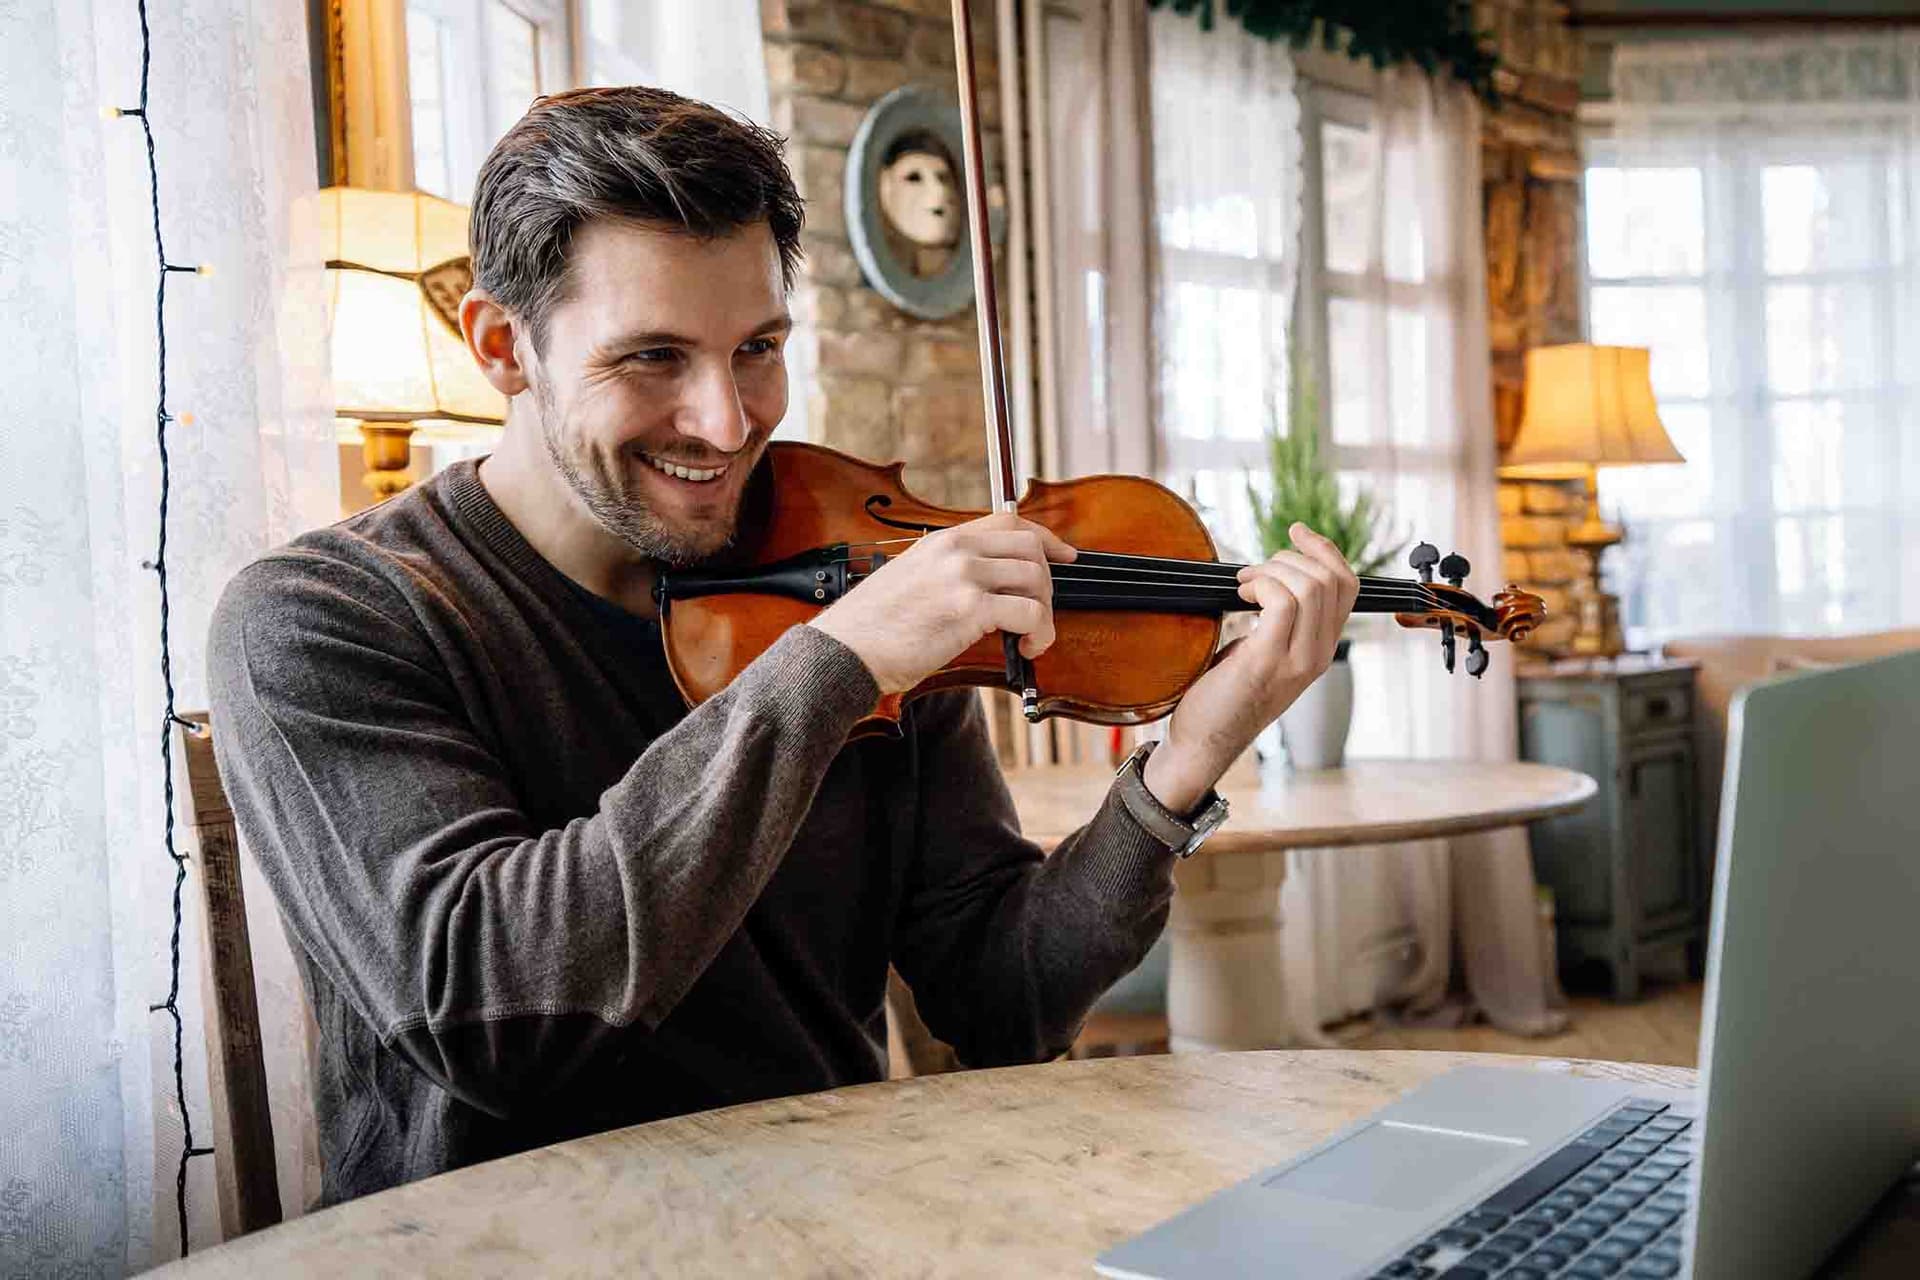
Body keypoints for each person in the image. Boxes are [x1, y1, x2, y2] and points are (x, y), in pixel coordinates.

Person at [208, 85, 1357, 1206]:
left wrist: (1180, 765)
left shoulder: (852, 571)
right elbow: (498, 1016)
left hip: (825, 1215)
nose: (728, 419)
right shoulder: (325, 616)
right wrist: (836, 664)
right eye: (653, 357)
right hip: (499, 1247)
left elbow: (1004, 998)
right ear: (503, 345)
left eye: (758, 345)